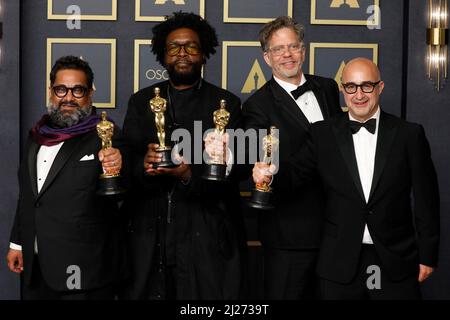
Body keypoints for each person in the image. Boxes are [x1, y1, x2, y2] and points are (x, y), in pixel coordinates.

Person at [253, 57, 440, 299]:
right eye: (351, 86)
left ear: (380, 87)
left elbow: (427, 201)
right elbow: (293, 176)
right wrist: (268, 175)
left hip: (395, 259)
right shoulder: (323, 134)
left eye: (367, 86)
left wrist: (427, 255)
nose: (358, 94)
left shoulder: (409, 135)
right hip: (338, 261)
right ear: (342, 90)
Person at [119, 12, 246, 300]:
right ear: (163, 56)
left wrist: (189, 174)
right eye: (174, 47)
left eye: (191, 47)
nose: (182, 54)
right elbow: (126, 160)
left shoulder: (226, 105)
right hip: (150, 234)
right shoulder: (142, 101)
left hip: (208, 235)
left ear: (204, 54)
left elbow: (237, 170)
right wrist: (144, 163)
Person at [6, 56, 124, 300]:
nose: (68, 98)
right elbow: (30, 196)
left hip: (84, 271)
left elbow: (127, 188)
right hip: (36, 267)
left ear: (90, 93)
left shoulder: (106, 136)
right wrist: (18, 243)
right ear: (51, 92)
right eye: (61, 89)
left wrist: (120, 165)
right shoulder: (37, 135)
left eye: (77, 90)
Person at [242, 16, 342, 299]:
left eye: (293, 46)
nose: (287, 54)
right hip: (289, 235)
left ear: (304, 50)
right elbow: (265, 163)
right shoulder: (256, 107)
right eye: (278, 49)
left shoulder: (328, 88)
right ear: (266, 57)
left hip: (337, 229)